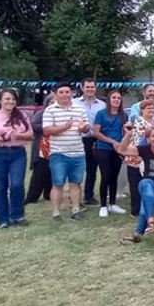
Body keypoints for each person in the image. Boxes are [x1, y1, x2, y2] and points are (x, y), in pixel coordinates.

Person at [0, 89, 33, 228]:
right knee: (0, 187)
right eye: (7, 99)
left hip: (17, 153)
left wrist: (18, 135)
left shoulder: (22, 116)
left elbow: (31, 135)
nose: (10, 102)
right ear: (0, 101)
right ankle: (3, 219)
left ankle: (17, 216)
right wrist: (3, 137)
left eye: (13, 99)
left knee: (17, 184)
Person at [42, 82, 90, 221]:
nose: (64, 95)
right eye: (61, 92)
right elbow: (47, 130)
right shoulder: (50, 110)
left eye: (67, 92)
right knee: (58, 184)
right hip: (58, 153)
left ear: (72, 93)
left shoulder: (79, 109)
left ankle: (75, 210)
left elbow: (86, 129)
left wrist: (84, 128)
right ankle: (56, 213)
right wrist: (64, 127)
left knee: (76, 183)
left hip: (78, 152)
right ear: (55, 94)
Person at [117, 126, 154, 245]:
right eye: (153, 136)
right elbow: (122, 150)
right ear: (148, 139)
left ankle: (140, 230)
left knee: (151, 191)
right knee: (146, 184)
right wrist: (128, 135)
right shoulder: (144, 149)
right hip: (148, 181)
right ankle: (150, 220)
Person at [93, 90, 128, 217]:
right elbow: (96, 132)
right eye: (114, 97)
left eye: (119, 98)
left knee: (114, 176)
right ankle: (103, 205)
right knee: (106, 175)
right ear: (109, 100)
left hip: (118, 149)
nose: (116, 100)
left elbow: (126, 132)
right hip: (103, 148)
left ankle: (113, 203)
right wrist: (112, 141)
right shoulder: (101, 114)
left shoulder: (123, 115)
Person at [73, 78, 106, 206]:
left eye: (92, 87)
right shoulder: (74, 103)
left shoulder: (102, 105)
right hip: (78, 139)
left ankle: (89, 195)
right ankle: (75, 197)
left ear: (95, 88)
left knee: (92, 169)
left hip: (95, 140)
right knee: (77, 169)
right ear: (82, 88)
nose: (90, 89)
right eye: (87, 87)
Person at [124, 99, 154, 217]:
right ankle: (136, 210)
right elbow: (139, 140)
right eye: (148, 108)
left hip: (149, 157)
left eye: (153, 108)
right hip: (136, 157)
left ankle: (147, 208)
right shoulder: (139, 121)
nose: (151, 110)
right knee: (135, 184)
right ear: (142, 110)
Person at [25, 94, 55, 205]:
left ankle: (48, 194)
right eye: (51, 102)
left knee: (52, 173)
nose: (53, 105)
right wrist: (49, 127)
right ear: (47, 103)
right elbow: (33, 125)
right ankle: (32, 197)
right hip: (42, 147)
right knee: (39, 174)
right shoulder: (41, 114)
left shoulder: (61, 113)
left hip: (56, 147)